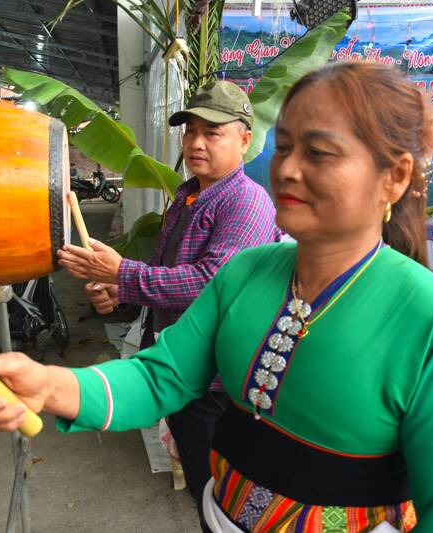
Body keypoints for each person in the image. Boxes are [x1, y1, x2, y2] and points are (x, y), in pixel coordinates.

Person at [0, 63, 433, 532]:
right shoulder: (247, 273)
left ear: (394, 177)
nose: (286, 167)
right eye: (283, 146)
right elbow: (160, 376)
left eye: (320, 153)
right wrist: (52, 384)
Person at [55, 80, 280, 529]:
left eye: (212, 132)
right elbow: (162, 274)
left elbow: (210, 283)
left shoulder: (246, 202)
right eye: (190, 130)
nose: (196, 143)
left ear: (244, 139)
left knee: (222, 499)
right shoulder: (186, 197)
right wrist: (119, 294)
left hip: (215, 386)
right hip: (178, 371)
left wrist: (122, 273)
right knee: (203, 486)